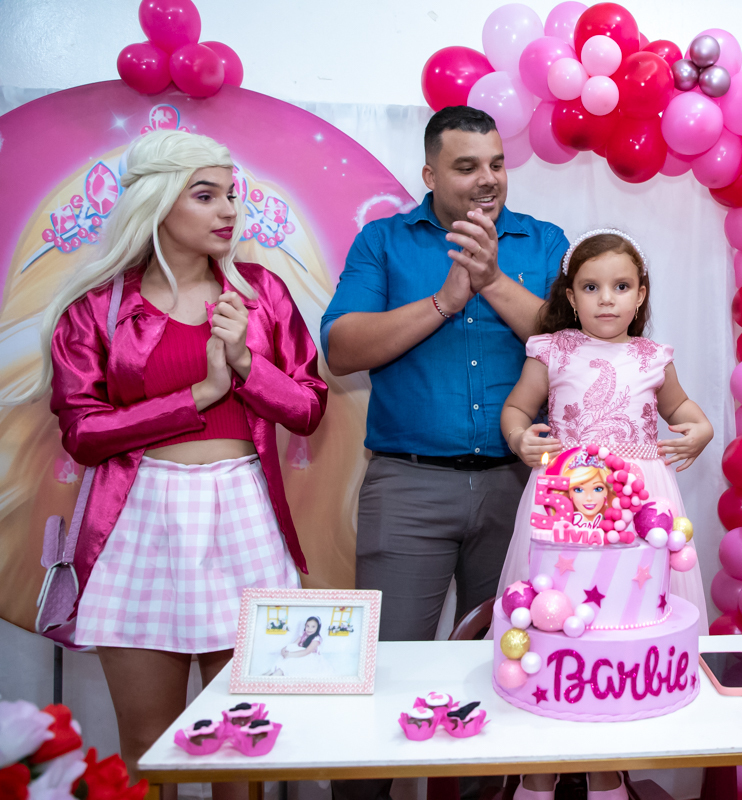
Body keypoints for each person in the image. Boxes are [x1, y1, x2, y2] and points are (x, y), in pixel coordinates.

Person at [18, 130, 326, 800]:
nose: (229, 210)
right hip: (139, 520)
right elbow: (83, 433)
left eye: (232, 195)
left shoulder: (262, 294)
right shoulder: (97, 309)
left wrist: (245, 363)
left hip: (244, 513)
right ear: (155, 202)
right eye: (205, 195)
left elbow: (307, 408)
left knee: (241, 748)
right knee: (147, 750)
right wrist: (200, 395)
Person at [321, 106, 567, 800]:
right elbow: (341, 349)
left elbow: (575, 346)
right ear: (429, 174)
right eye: (466, 167)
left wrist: (491, 282)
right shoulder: (384, 242)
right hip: (409, 487)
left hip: (521, 488)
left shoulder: (544, 241)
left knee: (503, 673)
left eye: (496, 164)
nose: (487, 179)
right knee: (382, 673)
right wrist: (444, 300)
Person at [497, 230, 713, 800]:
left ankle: (607, 771)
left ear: (640, 295)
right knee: (555, 614)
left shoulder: (652, 357)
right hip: (568, 498)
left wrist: (701, 429)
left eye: (620, 286)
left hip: (639, 504)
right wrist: (521, 437)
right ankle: (537, 770)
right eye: (591, 288)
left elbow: (681, 409)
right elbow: (517, 407)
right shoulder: (553, 349)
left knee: (625, 624)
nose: (606, 299)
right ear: (571, 296)